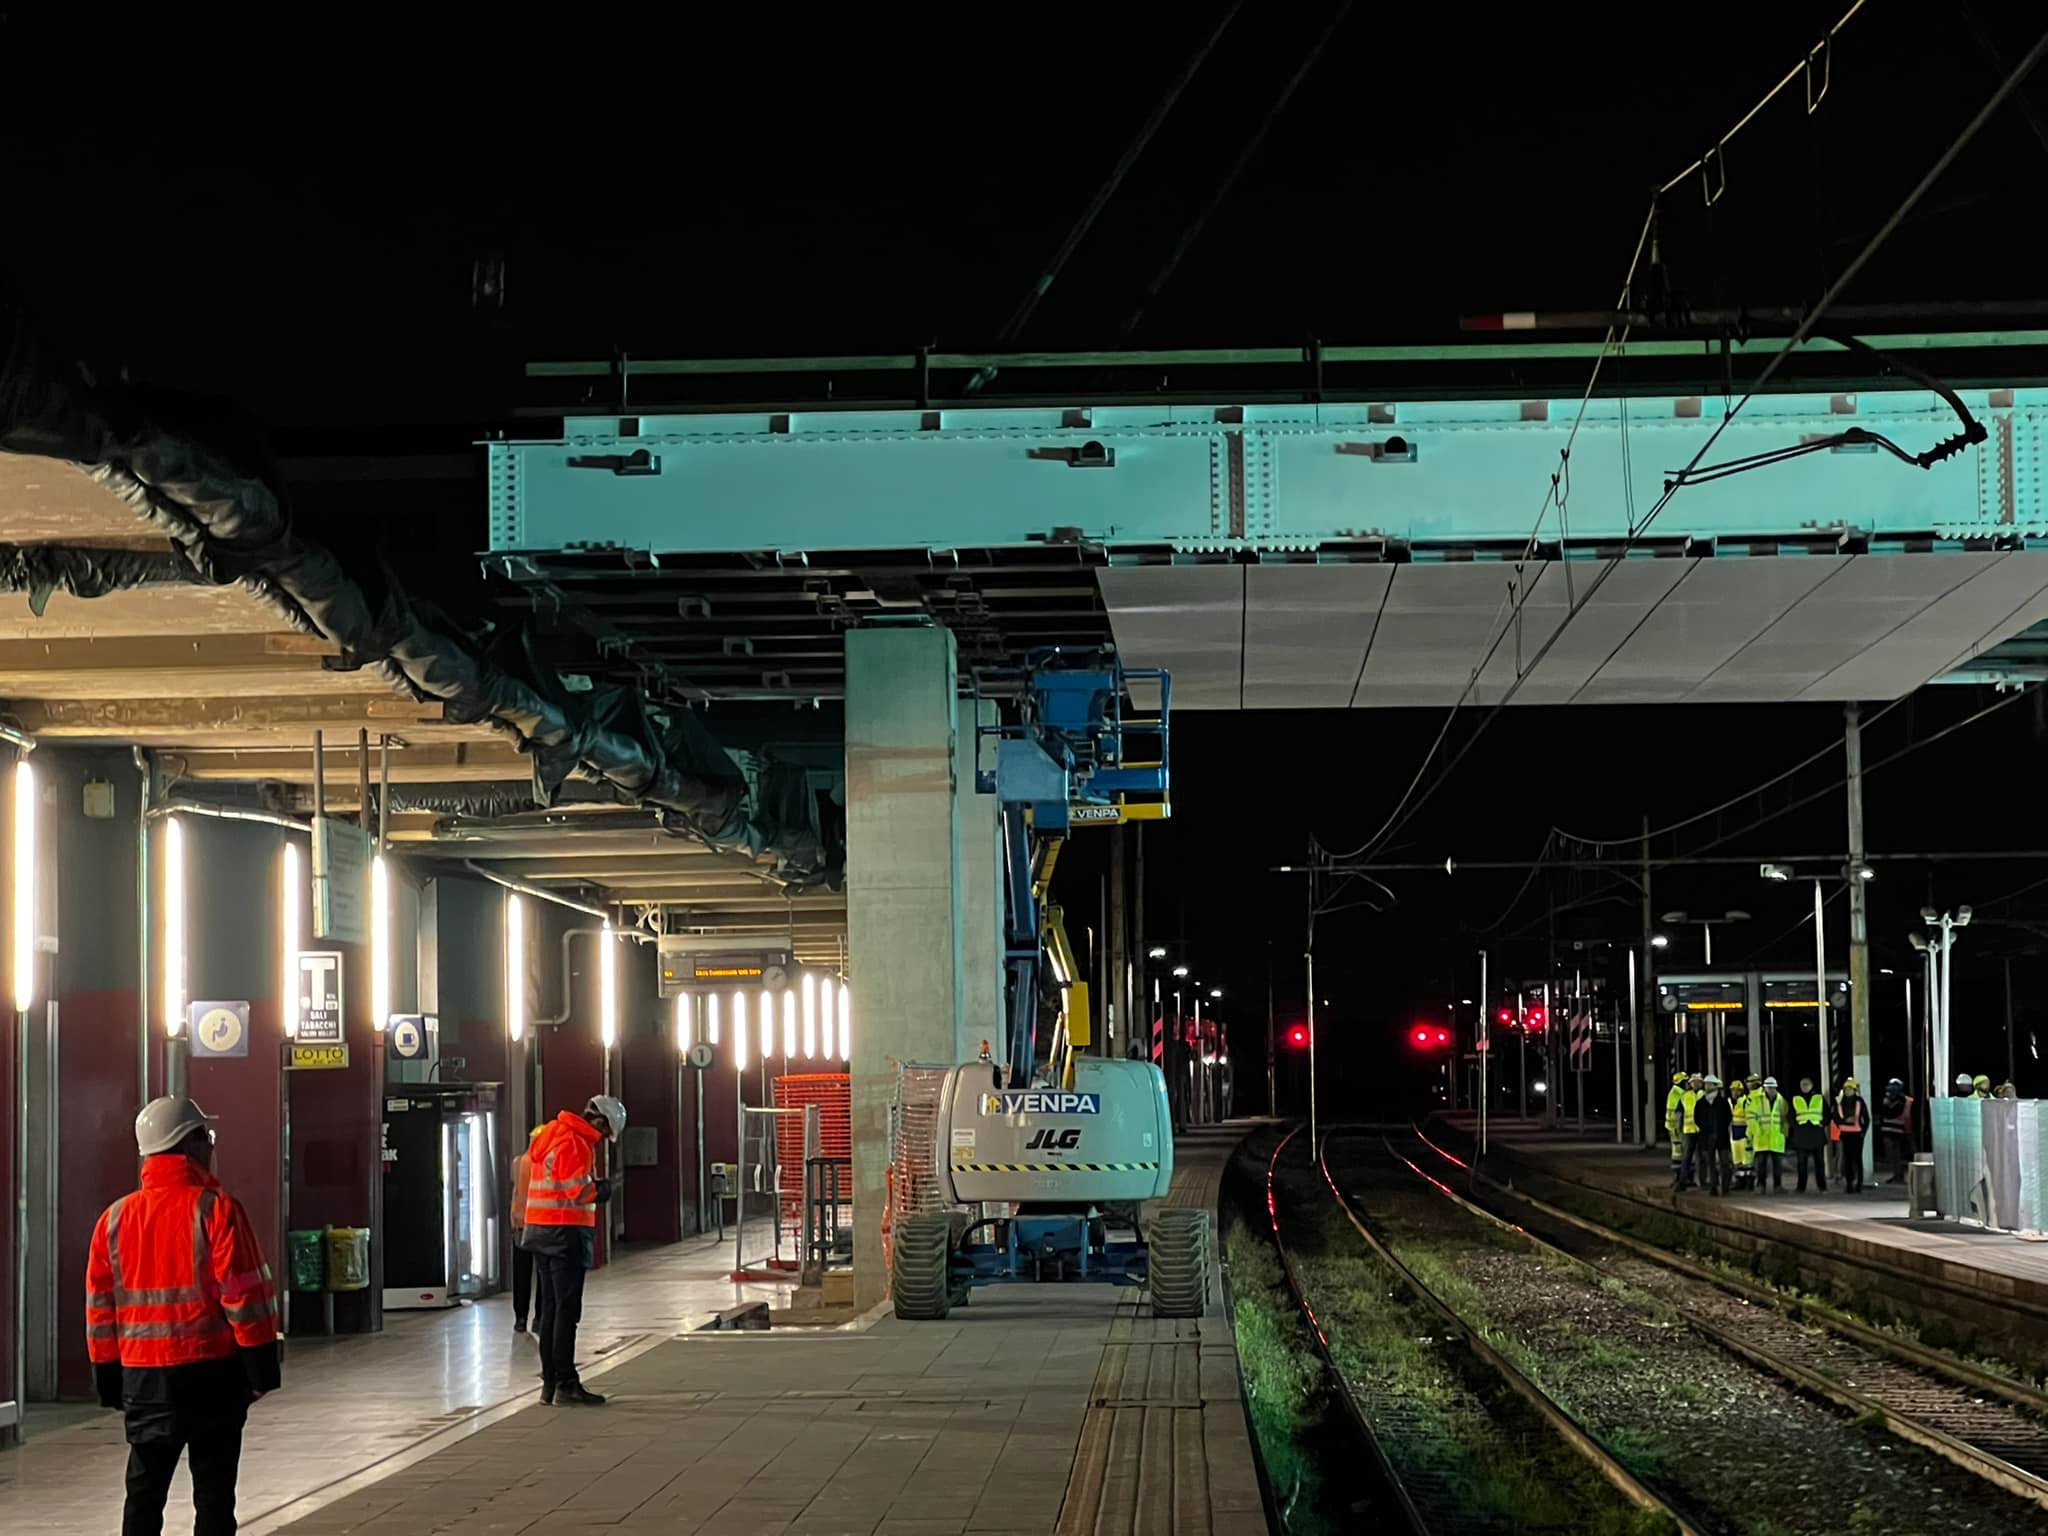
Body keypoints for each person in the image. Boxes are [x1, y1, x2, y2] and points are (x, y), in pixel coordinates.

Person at [86, 1096, 281, 1536]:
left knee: (144, 1491)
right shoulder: (217, 1209)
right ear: (190, 1144)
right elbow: (244, 1297)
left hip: (143, 1379)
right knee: (213, 1496)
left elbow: (100, 1310)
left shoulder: (113, 1221)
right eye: (206, 1138)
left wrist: (107, 1375)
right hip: (213, 1374)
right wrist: (261, 1366)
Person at [522, 1094, 627, 1406]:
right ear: (599, 1121)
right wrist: (604, 1188)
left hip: (540, 1231)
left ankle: (550, 1385)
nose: (605, 1138)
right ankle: (566, 1383)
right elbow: (578, 1191)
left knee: (551, 1310)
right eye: (606, 1132)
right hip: (564, 1233)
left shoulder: (551, 1132)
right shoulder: (576, 1142)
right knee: (566, 1312)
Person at [510, 1124, 546, 1333]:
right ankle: (540, 1317)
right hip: (541, 1224)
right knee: (543, 1274)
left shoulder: (518, 1162)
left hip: (519, 1225)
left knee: (521, 1274)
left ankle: (520, 1318)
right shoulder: (545, 1164)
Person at [1695, 1075, 1735, 1196]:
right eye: (1705, 1084)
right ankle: (1713, 1187)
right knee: (1710, 1164)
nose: (1706, 1086)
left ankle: (1725, 1187)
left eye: (1708, 1084)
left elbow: (1728, 1117)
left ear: (1714, 1086)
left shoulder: (1722, 1102)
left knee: (1724, 1163)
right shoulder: (1700, 1103)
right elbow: (1696, 1118)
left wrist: (1721, 1128)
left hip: (1721, 1136)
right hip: (1707, 1137)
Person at [1790, 1075, 1829, 1193]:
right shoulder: (1795, 1098)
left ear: (1812, 1085)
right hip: (1801, 1134)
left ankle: (1822, 1186)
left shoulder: (1819, 1098)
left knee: (1819, 1163)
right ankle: (1801, 1187)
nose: (1804, 1087)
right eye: (1802, 1084)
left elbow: (1827, 1114)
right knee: (1801, 1163)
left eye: (1807, 1084)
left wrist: (1823, 1123)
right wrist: (1796, 1126)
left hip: (1816, 1132)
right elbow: (1790, 1116)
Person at [1750, 1076, 1789, 1193]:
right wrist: (1757, 1131)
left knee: (1777, 1165)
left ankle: (1778, 1186)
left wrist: (1785, 1133)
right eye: (1768, 1087)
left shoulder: (1782, 1101)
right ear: (1764, 1088)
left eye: (1772, 1087)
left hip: (1776, 1138)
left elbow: (1785, 1119)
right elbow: (1751, 1117)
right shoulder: (1757, 1100)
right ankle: (1761, 1186)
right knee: (1760, 1165)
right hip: (1762, 1137)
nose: (1770, 1089)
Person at [1834, 1077, 1870, 1194]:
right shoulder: (1840, 1103)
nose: (1848, 1091)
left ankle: (1858, 1184)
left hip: (1857, 1135)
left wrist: (1863, 1132)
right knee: (1847, 1160)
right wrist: (1842, 1123)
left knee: (1857, 1160)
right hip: (1845, 1134)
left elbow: (1866, 1118)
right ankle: (1849, 1184)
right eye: (1846, 1089)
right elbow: (1835, 1117)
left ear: (1855, 1090)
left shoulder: (1859, 1101)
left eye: (1850, 1089)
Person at [1878, 1078, 1915, 1184]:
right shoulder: (1890, 1099)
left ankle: (1898, 1176)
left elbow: (1890, 1112)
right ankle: (1896, 1175)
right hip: (1890, 1131)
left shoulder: (1900, 1100)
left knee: (1896, 1156)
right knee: (1892, 1157)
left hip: (1896, 1132)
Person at [1728, 1072, 1753, 1190]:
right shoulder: (1730, 1102)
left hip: (1744, 1134)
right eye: (1733, 1090)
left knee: (1746, 1161)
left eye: (1736, 1090)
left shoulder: (1745, 1101)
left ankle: (1748, 1182)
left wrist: (1749, 1133)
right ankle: (1739, 1182)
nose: (1734, 1092)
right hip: (1734, 1134)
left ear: (1741, 1091)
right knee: (1737, 1161)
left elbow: (1749, 1118)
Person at [1664, 1071, 1688, 1180]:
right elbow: (1681, 1113)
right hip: (1679, 1128)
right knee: (1684, 1152)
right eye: (1685, 1081)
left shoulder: (1672, 1092)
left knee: (1676, 1152)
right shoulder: (1681, 1094)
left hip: (1672, 1128)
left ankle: (1678, 1176)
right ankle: (1684, 1176)